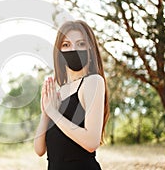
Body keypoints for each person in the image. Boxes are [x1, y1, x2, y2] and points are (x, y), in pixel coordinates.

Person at [34, 20, 109, 170]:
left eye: (81, 44)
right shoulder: (59, 90)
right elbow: (39, 150)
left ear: (90, 49)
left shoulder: (93, 82)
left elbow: (91, 143)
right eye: (66, 45)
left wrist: (54, 114)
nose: (73, 49)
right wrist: (45, 113)